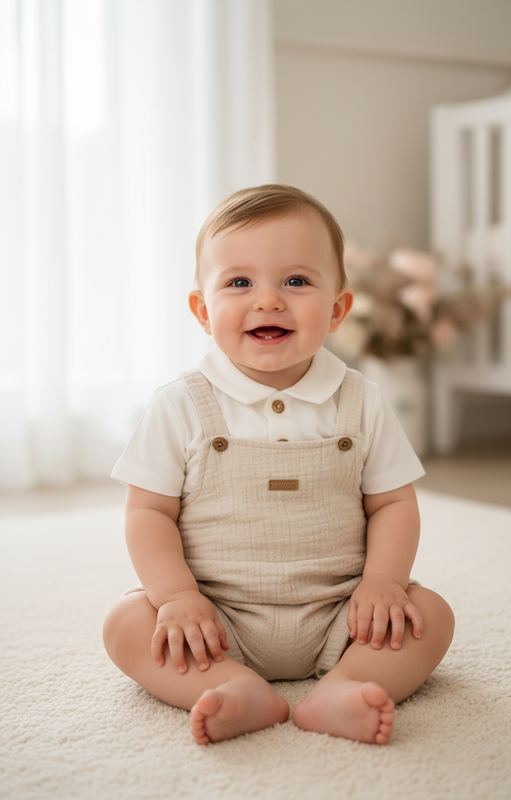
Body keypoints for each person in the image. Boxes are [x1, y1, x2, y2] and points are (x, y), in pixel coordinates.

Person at [103, 184, 454, 746]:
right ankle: (233, 686)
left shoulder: (361, 400)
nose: (267, 300)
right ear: (202, 309)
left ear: (338, 308)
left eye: (296, 280)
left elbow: (393, 502)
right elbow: (148, 510)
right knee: (125, 624)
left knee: (430, 615)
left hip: (345, 612)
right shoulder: (180, 403)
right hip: (215, 616)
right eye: (239, 282)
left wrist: (383, 583)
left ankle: (347, 685)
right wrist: (176, 597)